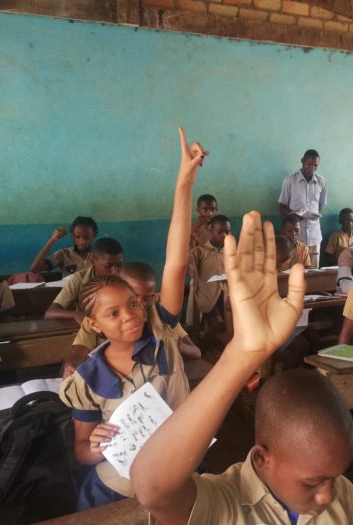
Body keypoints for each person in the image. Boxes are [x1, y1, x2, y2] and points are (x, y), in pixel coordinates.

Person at [131, 211, 353, 525]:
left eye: (334, 478)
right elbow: (153, 490)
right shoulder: (226, 506)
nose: (327, 495)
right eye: (312, 483)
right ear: (261, 458)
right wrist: (243, 354)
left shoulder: (343, 492)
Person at [59, 127, 206, 509]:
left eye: (133, 304)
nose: (130, 315)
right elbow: (82, 451)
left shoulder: (160, 331)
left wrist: (184, 184)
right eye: (113, 313)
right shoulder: (88, 379)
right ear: (94, 325)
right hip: (116, 487)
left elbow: (175, 263)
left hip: (176, 473)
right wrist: (94, 446)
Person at [64, 262, 201, 378]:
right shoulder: (100, 319)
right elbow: (79, 351)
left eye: (147, 298)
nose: (140, 304)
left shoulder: (160, 316)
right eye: (133, 297)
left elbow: (196, 352)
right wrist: (72, 363)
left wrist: (172, 344)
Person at [45, 237, 124, 323]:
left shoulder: (126, 278)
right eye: (108, 266)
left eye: (119, 265)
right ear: (92, 260)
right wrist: (76, 315)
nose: (115, 271)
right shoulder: (79, 279)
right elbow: (50, 312)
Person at [278, 149, 327, 268]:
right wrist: (295, 216)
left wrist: (314, 215)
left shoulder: (322, 182)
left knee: (313, 272)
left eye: (315, 165)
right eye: (309, 164)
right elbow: (281, 207)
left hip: (314, 236)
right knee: (294, 271)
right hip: (295, 237)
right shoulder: (290, 181)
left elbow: (320, 205)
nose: (312, 168)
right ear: (302, 161)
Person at [187, 214, 230, 331]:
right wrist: (191, 268)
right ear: (211, 231)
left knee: (232, 324)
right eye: (220, 232)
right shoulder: (200, 251)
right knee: (219, 325)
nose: (224, 235)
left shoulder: (231, 251)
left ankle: (213, 340)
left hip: (226, 294)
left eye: (227, 232)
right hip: (207, 296)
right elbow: (189, 265)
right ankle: (203, 342)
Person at [29, 216, 98, 276]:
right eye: (77, 237)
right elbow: (34, 269)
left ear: (94, 235)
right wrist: (52, 239)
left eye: (87, 237)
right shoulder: (63, 254)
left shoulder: (100, 255)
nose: (82, 241)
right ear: (72, 235)